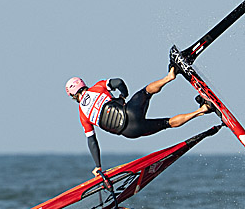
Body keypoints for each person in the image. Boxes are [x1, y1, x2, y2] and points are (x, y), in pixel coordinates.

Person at [65, 69, 216, 182]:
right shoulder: (98, 87)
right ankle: (169, 77)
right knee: (147, 91)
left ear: (73, 96)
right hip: (130, 112)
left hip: (130, 132)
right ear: (83, 85)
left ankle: (203, 109)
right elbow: (118, 82)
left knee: (166, 123)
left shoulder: (82, 116)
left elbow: (92, 141)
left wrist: (98, 166)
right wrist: (123, 96)